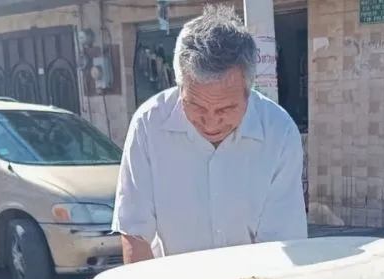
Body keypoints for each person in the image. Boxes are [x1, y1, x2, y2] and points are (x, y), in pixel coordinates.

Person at [111, 4, 308, 263]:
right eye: (196, 105)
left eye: (226, 108)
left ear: (249, 90)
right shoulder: (148, 125)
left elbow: (282, 245)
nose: (211, 122)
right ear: (179, 84)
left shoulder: (279, 134)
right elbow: (135, 233)